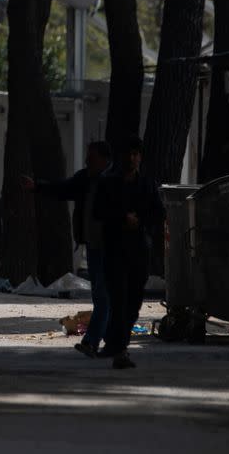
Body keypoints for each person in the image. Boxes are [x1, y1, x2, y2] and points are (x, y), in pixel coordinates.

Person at [20, 141, 113, 358]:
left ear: (103, 158)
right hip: (94, 244)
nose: (87, 160)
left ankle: (92, 341)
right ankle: (112, 340)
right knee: (102, 295)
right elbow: (63, 188)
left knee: (102, 296)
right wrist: (38, 186)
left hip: (111, 247)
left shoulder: (114, 180)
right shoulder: (86, 178)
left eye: (91, 156)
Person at [94, 135, 165, 370]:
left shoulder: (146, 184)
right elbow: (98, 211)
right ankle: (120, 349)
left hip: (138, 251)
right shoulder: (108, 183)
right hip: (114, 250)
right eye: (128, 154)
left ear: (140, 157)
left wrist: (140, 220)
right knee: (118, 300)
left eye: (136, 154)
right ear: (120, 157)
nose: (132, 158)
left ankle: (115, 343)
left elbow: (159, 213)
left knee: (133, 303)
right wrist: (122, 218)